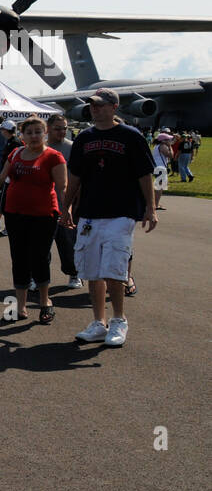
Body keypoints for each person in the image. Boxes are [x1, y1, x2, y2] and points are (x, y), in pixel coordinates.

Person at [61, 89, 158, 348]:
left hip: (122, 212)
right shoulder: (84, 138)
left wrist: (151, 207)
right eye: (92, 105)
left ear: (114, 107)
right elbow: (75, 178)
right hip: (91, 212)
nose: (95, 109)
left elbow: (144, 174)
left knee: (114, 269)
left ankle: (118, 320)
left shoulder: (131, 136)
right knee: (92, 269)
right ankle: (98, 322)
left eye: (101, 105)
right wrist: (66, 207)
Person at [0, 117, 66, 322]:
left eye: (37, 132)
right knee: (19, 258)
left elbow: (62, 187)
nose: (33, 136)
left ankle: (45, 302)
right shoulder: (16, 153)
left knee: (39, 258)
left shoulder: (54, 156)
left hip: (43, 216)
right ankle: (20, 307)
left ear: (45, 134)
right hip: (15, 214)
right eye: (29, 132)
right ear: (22, 135)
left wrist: (66, 211)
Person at [47, 114, 82, 289]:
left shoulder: (72, 148)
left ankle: (74, 273)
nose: (62, 132)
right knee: (42, 245)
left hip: (65, 203)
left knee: (68, 242)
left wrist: (75, 200)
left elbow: (79, 175)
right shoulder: (40, 147)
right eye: (58, 128)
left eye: (64, 128)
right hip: (44, 203)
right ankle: (38, 277)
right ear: (48, 128)